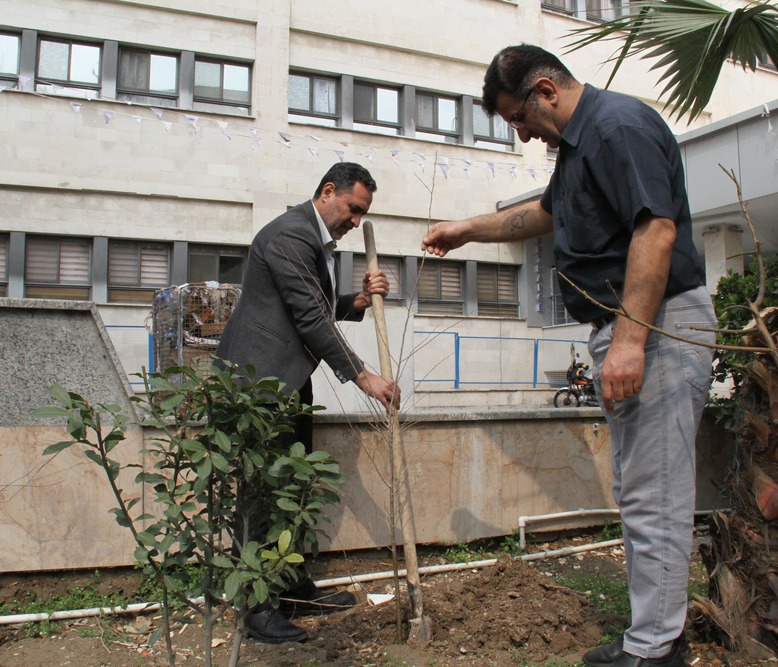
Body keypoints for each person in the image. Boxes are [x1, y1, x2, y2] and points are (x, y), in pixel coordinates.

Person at [421, 45, 715, 667]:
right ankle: (654, 633)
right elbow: (545, 215)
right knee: (638, 488)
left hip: (656, 326)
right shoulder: (581, 147)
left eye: (518, 119)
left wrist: (631, 340)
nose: (522, 134)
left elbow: (655, 229)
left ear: (545, 90)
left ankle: (657, 649)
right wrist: (467, 229)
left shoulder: (617, 127)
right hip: (633, 326)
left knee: (654, 491)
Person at [217, 161, 400, 644]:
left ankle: (293, 587)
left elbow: (315, 305)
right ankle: (257, 608)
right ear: (328, 191)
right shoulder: (292, 236)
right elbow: (309, 320)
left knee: (294, 487)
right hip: (258, 387)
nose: (356, 221)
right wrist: (364, 376)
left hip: (287, 381)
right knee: (262, 495)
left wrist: (358, 301)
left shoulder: (309, 240)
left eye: (363, 214)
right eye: (354, 209)